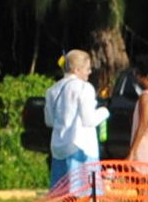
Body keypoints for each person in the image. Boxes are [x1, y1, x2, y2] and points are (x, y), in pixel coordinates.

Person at [43, 49, 107, 193]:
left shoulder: (52, 90)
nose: (89, 72)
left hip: (59, 148)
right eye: (87, 68)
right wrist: (104, 112)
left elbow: (49, 121)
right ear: (77, 69)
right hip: (81, 149)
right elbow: (88, 120)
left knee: (64, 196)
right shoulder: (84, 88)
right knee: (86, 195)